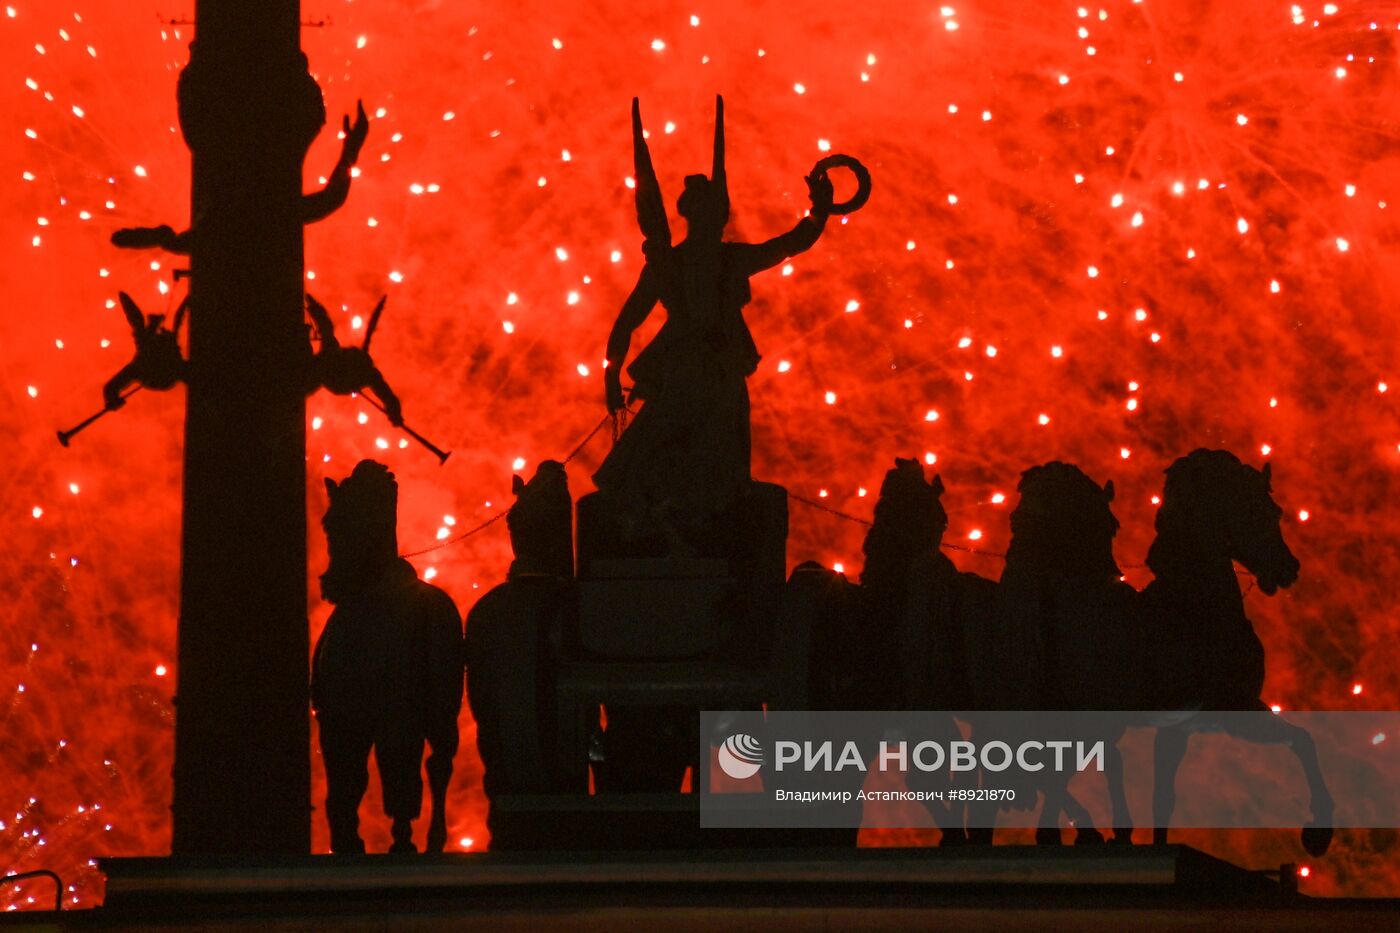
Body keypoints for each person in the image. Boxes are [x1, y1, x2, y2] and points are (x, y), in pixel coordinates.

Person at [594, 96, 834, 550]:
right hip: (696, 373)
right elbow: (626, 321)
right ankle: (667, 527)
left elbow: (791, 243)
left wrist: (820, 211)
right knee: (680, 454)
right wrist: (609, 373)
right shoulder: (682, 263)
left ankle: (685, 527)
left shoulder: (708, 261)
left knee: (712, 459)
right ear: (702, 214)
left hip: (711, 372)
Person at [103, 291, 187, 410]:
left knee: (142, 335)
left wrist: (112, 399)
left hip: (158, 374)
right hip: (163, 374)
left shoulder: (143, 353)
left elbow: (136, 320)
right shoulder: (148, 350)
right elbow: (178, 318)